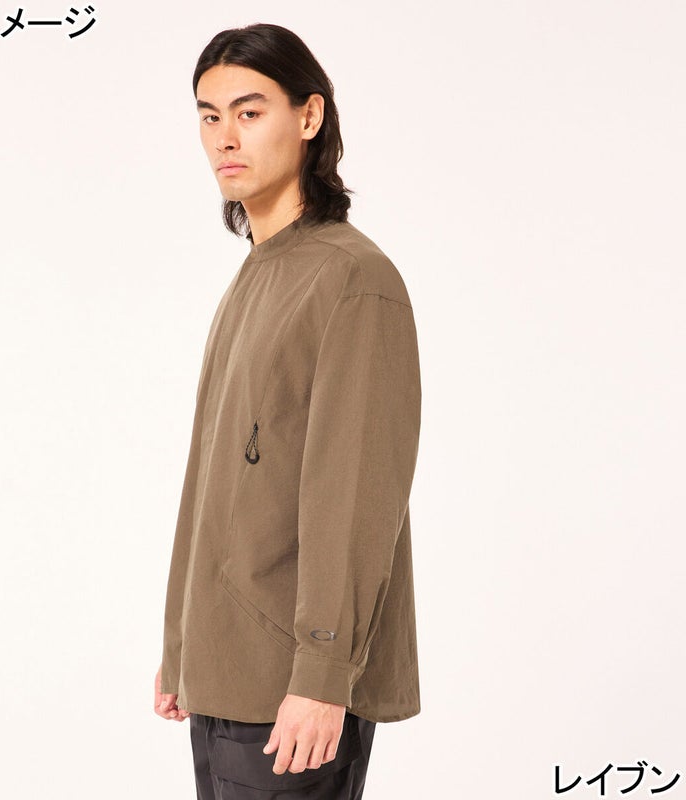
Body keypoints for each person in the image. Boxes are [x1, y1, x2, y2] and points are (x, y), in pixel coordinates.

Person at [154, 22, 423, 799]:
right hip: (225, 675)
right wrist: (181, 645)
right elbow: (214, 484)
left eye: (249, 111)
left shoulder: (352, 279)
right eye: (209, 116)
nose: (224, 137)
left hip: (291, 687)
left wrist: (323, 674)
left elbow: (354, 498)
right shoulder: (259, 274)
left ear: (309, 117)